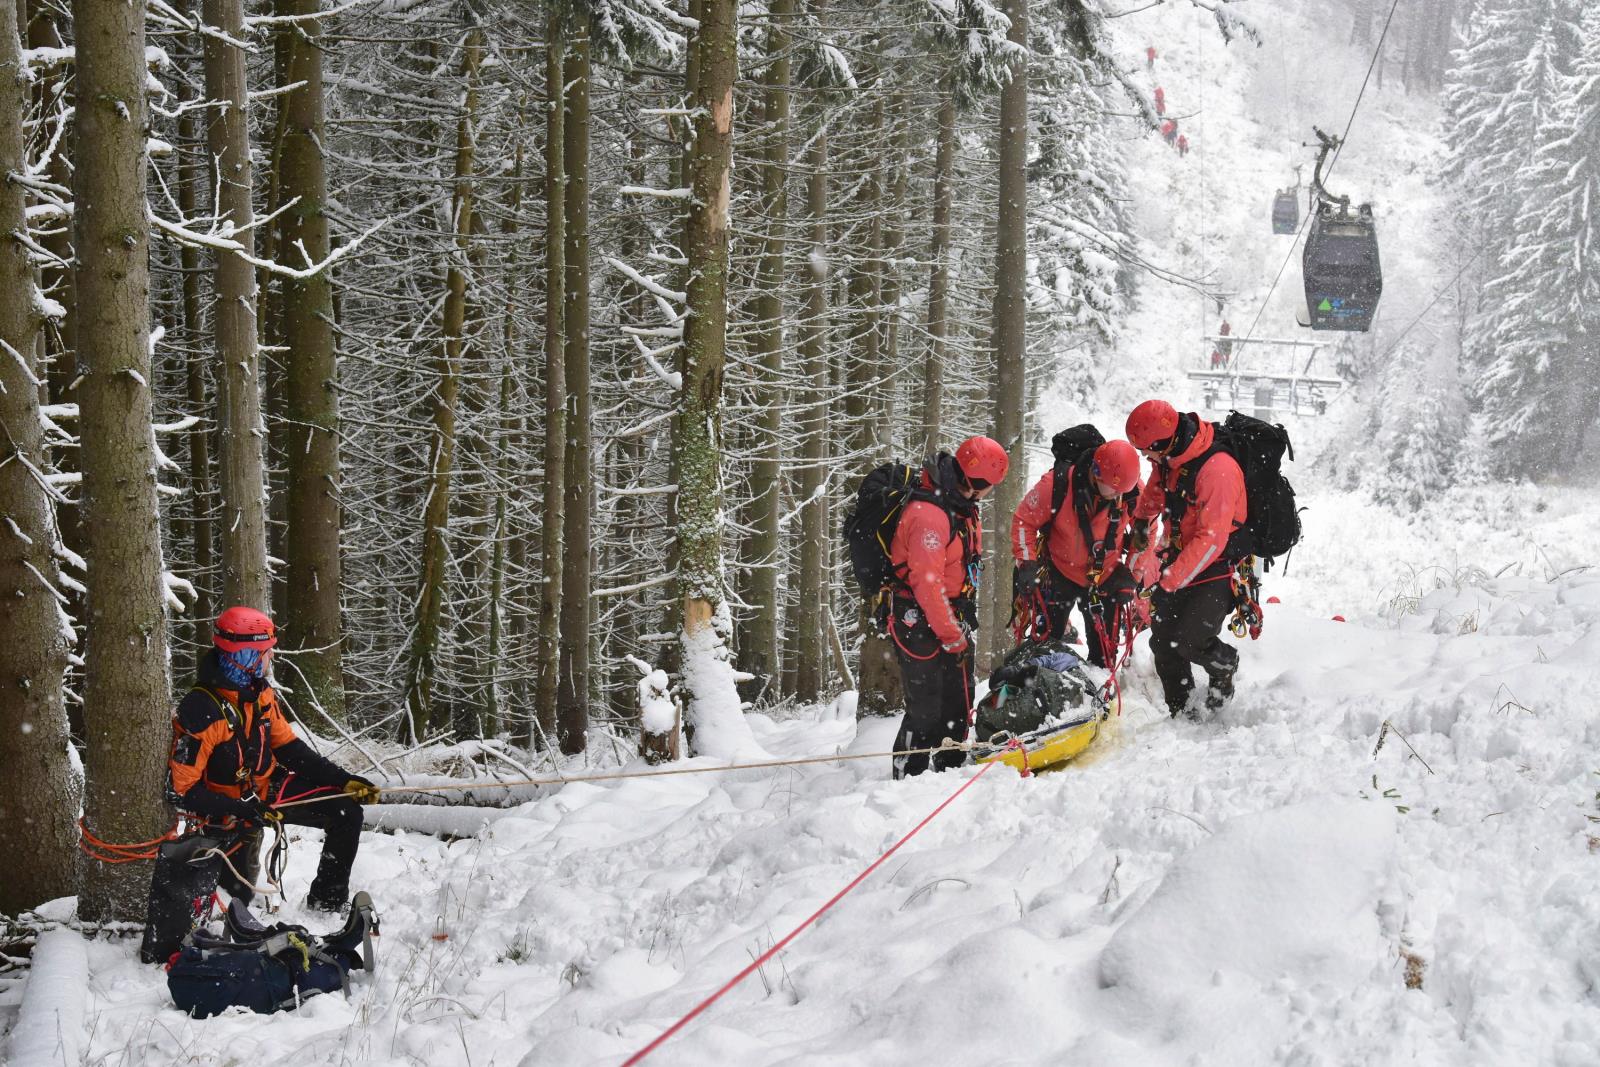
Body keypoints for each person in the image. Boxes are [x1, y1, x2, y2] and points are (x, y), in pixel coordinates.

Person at [139, 606, 380, 964]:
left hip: (265, 791)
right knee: (237, 899)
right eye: (266, 651)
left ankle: (327, 902)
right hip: (225, 815)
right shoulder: (202, 711)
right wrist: (243, 809)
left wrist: (342, 781)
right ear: (247, 655)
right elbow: (183, 791)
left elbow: (290, 749)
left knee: (345, 810)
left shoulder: (259, 693)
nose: (270, 658)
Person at [885, 436, 1009, 779]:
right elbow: (926, 584)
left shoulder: (960, 504)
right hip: (919, 618)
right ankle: (908, 777)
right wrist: (951, 634)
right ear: (974, 483)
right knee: (926, 706)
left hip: (951, 611)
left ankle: (948, 767)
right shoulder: (929, 516)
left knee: (958, 700)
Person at [1124, 400, 1248, 719]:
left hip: (1219, 566)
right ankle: (1183, 712)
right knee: (1163, 641)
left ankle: (1224, 669)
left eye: (1145, 450)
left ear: (1161, 443)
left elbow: (1211, 540)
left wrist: (1168, 583)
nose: (1143, 456)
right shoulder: (1170, 459)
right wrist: (1141, 519)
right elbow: (1156, 488)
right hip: (1183, 557)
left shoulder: (1217, 470)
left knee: (1192, 639)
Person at [1010, 439, 1143, 667]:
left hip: (1106, 577)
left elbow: (1146, 531)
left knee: (1104, 655)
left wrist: (1131, 573)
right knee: (1044, 647)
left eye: (1122, 491)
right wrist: (1027, 564)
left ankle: (1097, 693)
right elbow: (1024, 521)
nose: (1117, 495)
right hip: (1059, 572)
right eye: (1112, 489)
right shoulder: (1057, 484)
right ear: (1095, 473)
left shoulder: (1130, 489)